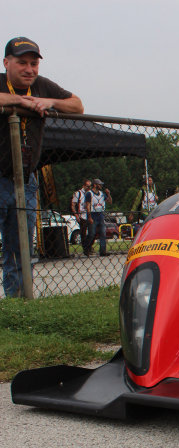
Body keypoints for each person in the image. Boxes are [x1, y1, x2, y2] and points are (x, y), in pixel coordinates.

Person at [0, 36, 83, 296]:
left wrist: (50, 102)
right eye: (22, 62)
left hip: (26, 180)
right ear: (6, 63)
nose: (29, 69)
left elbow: (78, 105)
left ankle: (18, 306)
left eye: (33, 63)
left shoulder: (43, 85)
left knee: (21, 249)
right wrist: (21, 102)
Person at [85, 178, 111, 257]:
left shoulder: (102, 194)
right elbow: (88, 205)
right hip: (93, 214)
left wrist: (108, 194)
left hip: (100, 214)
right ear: (95, 185)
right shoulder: (89, 194)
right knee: (92, 233)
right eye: (99, 185)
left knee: (103, 233)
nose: (101, 186)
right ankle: (87, 247)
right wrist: (89, 217)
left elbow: (110, 201)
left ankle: (102, 251)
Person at [71, 179, 91, 252]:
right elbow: (73, 205)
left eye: (90, 186)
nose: (88, 188)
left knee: (92, 232)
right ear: (83, 186)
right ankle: (86, 249)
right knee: (83, 233)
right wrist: (76, 215)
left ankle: (89, 247)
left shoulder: (90, 193)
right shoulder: (78, 193)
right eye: (87, 186)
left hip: (89, 215)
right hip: (82, 215)